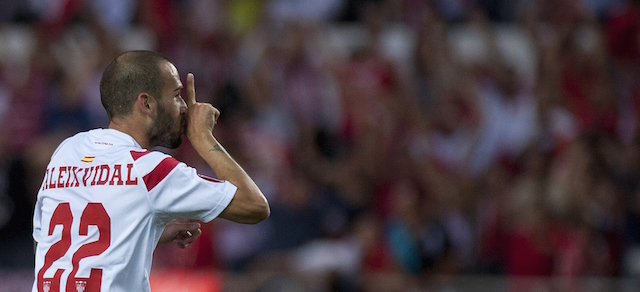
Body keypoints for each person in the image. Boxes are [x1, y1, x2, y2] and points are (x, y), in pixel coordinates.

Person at [31, 50, 270, 292]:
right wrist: (203, 138)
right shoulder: (151, 170)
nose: (185, 107)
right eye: (177, 95)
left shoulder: (67, 152)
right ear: (146, 103)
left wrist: (145, 234)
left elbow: (46, 242)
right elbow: (255, 206)